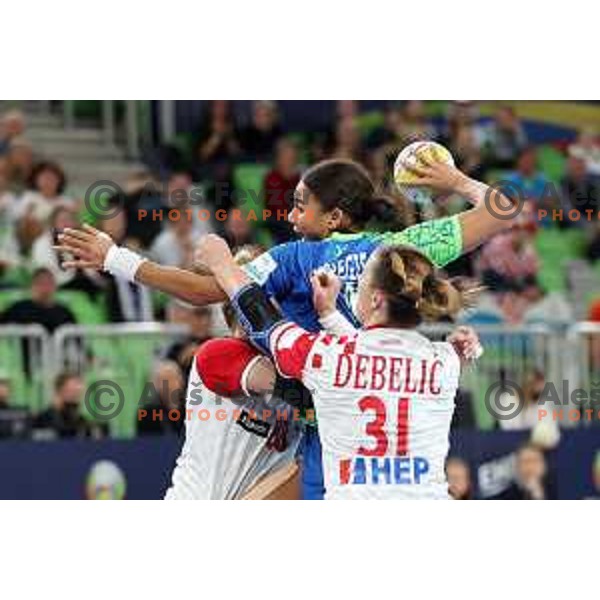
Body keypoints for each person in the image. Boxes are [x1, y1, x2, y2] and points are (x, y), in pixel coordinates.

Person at [56, 155, 514, 498]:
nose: (291, 218)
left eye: (300, 206)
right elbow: (502, 209)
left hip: (325, 428)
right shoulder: (400, 252)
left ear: (333, 217)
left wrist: (116, 258)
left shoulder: (295, 258)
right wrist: (453, 179)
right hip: (392, 426)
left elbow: (207, 292)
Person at [196, 235, 479, 499]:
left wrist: (222, 265)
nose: (352, 289)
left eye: (360, 283)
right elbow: (377, 357)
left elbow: (265, 324)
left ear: (376, 299)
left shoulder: (325, 358)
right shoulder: (446, 361)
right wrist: (329, 314)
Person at [0, 267, 76, 334]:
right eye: (41, 283)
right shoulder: (20, 308)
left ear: (55, 286)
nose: (45, 288)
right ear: (32, 286)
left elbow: (77, 340)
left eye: (49, 283)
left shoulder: (64, 312)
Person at [32, 372, 105, 440]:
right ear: (59, 392)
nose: (75, 399)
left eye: (78, 394)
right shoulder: (42, 420)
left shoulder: (81, 423)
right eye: (71, 393)